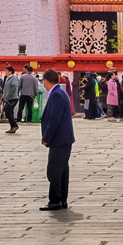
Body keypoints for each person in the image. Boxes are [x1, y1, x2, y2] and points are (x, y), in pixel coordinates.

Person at [39, 69, 75, 210]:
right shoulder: (60, 92)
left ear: (47, 80)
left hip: (59, 139)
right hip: (64, 139)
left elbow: (54, 119)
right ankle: (62, 200)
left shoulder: (56, 94)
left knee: (53, 171)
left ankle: (55, 201)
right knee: (62, 171)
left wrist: (46, 137)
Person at [2, 66, 21, 134]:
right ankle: (12, 126)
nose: (5, 73)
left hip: (12, 98)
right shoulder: (8, 78)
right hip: (8, 98)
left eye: (6, 71)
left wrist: (9, 95)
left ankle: (14, 125)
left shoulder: (13, 78)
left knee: (8, 112)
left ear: (10, 72)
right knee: (8, 112)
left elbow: (14, 87)